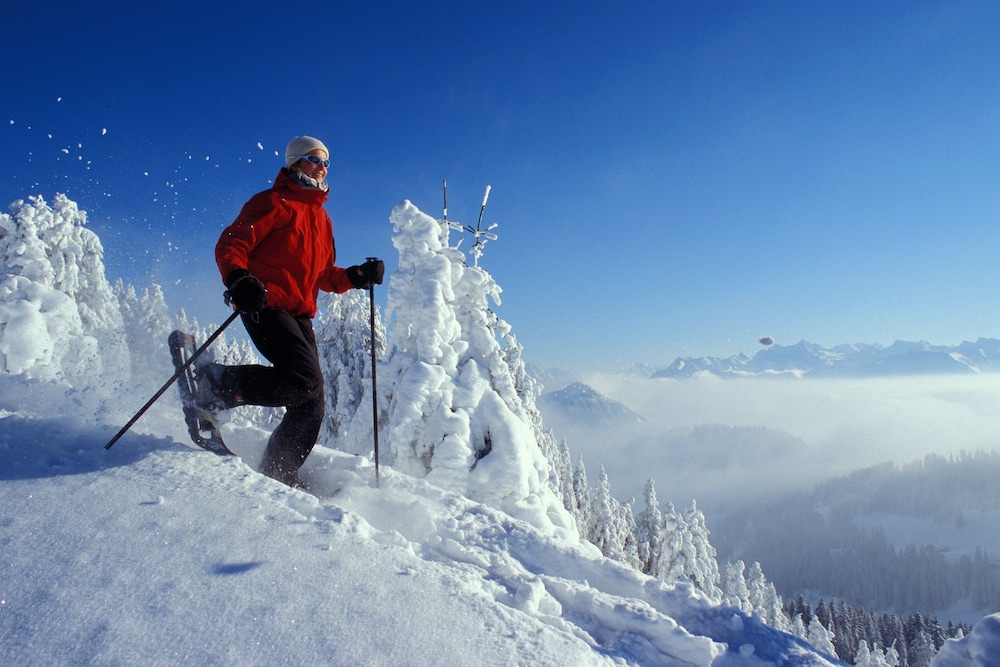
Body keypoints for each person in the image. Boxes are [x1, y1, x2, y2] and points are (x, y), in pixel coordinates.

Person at [200, 135, 383, 488]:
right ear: (295, 162)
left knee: (311, 402)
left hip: (299, 314)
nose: (322, 168)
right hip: (265, 303)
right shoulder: (272, 202)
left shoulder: (321, 219)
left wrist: (356, 276)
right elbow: (232, 242)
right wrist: (239, 279)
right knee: (304, 382)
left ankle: (279, 469)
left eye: (327, 163)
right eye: (315, 160)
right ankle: (214, 386)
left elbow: (322, 275)